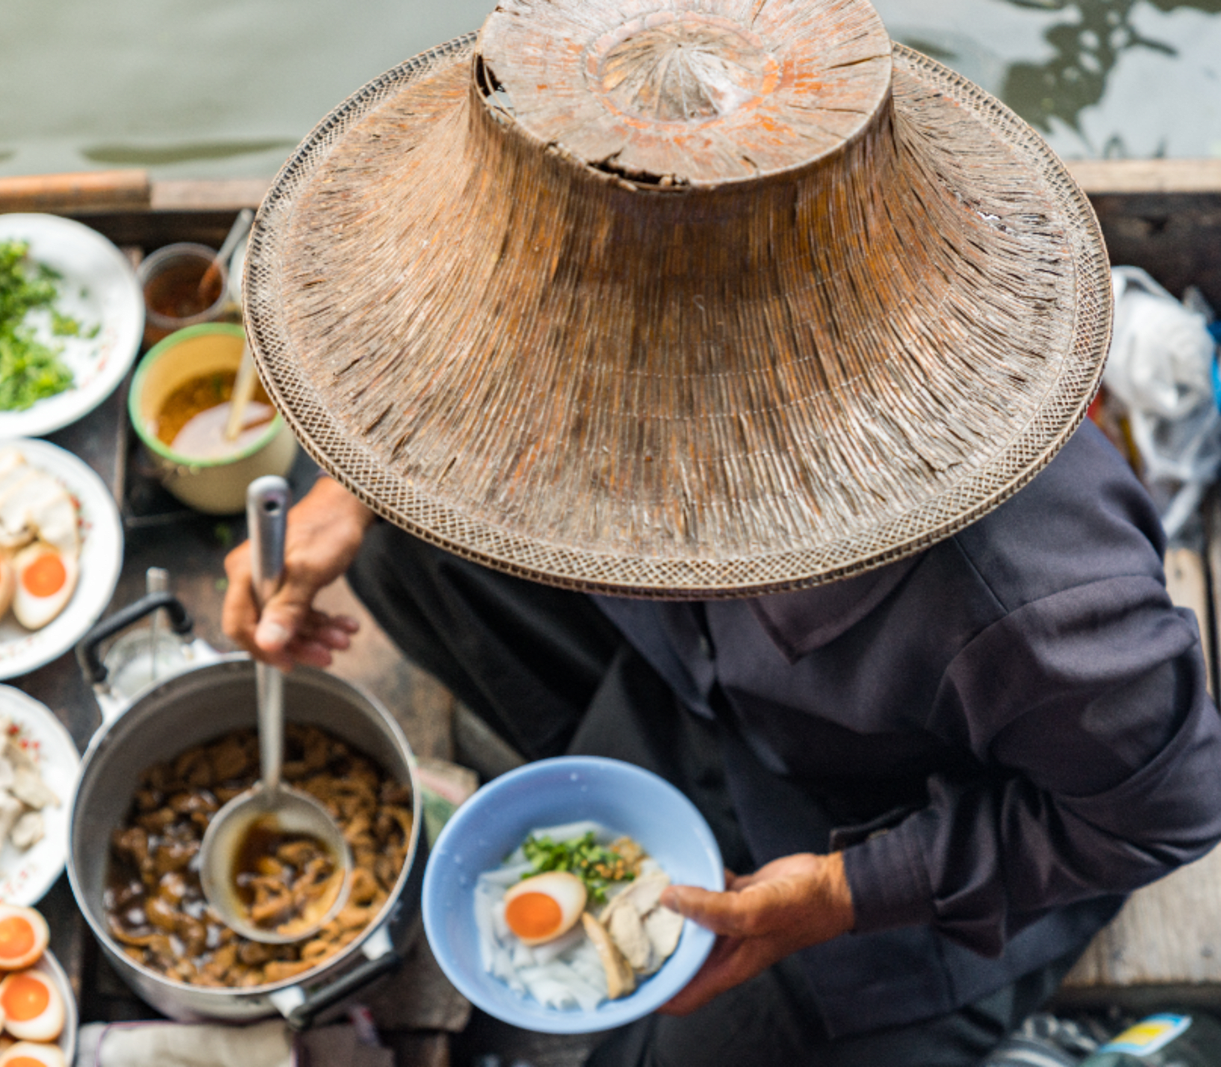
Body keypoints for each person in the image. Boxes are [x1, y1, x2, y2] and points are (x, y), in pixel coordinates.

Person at [217, 0, 1221, 1060]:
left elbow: (1167, 808)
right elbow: (430, 392)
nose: (530, 436)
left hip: (881, 819)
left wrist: (839, 891)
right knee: (389, 519)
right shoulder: (570, 375)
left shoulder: (1026, 595)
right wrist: (350, 490)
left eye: (561, 404)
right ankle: (629, 771)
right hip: (704, 680)